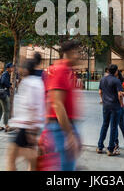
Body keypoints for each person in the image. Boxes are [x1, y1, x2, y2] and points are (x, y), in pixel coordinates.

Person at [39, 40, 82, 170]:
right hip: (60, 127)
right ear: (68, 52)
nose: (79, 56)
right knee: (66, 166)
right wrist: (69, 134)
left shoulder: (68, 71)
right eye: (77, 52)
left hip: (64, 125)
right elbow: (57, 103)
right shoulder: (61, 70)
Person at [6, 54, 45, 171]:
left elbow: (31, 106)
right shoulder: (38, 82)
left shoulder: (28, 83)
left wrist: (31, 131)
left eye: (21, 67)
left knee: (11, 158)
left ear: (27, 70)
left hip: (25, 126)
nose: (19, 69)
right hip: (30, 125)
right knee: (31, 157)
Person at [97, 64, 124, 156]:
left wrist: (102, 100)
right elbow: (120, 94)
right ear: (116, 71)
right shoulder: (116, 81)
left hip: (106, 106)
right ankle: (111, 149)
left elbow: (100, 92)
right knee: (113, 127)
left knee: (104, 125)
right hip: (115, 106)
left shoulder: (103, 79)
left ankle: (100, 146)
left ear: (108, 70)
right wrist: (120, 104)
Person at [0, 63, 14, 132]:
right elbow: (3, 82)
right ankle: (6, 126)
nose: (12, 68)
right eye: (11, 67)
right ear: (7, 68)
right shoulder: (6, 74)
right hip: (4, 94)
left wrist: (9, 84)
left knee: (0, 110)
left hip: (1, 94)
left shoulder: (6, 74)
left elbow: (4, 81)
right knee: (7, 110)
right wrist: (9, 86)